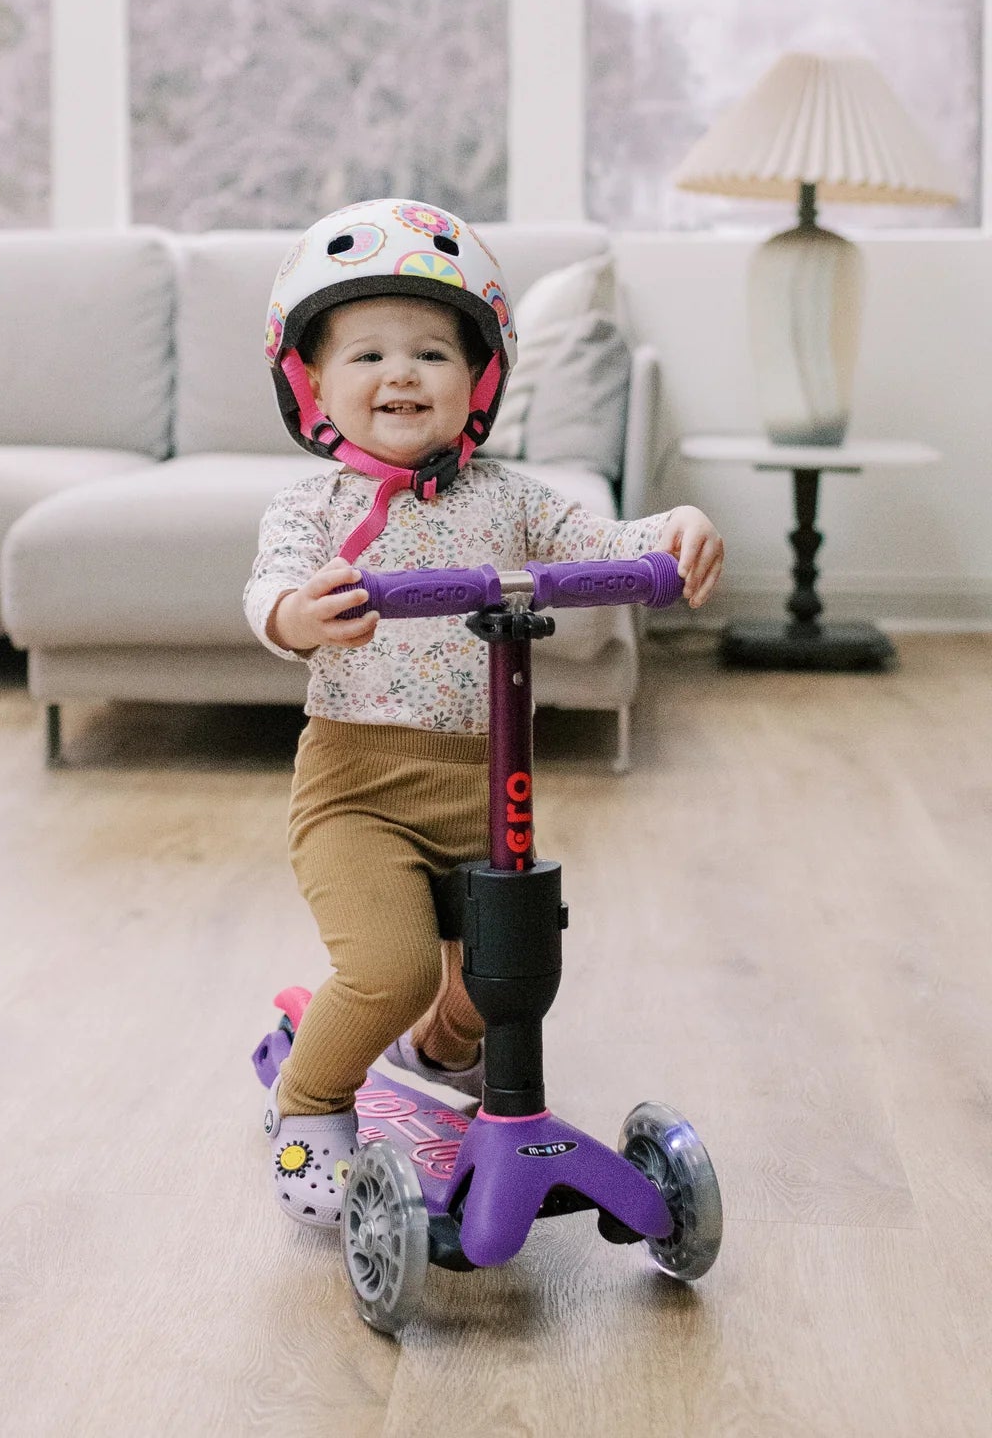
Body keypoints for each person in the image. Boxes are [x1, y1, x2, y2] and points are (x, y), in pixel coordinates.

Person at [244, 199, 723, 1225]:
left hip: (486, 791)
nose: (403, 373)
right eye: (368, 354)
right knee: (392, 968)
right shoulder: (312, 508)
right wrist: (298, 614)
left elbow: (603, 541)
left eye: (431, 353)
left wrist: (670, 531)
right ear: (313, 381)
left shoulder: (511, 500)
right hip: (358, 797)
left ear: (479, 379)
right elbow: (270, 591)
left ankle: (434, 1054)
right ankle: (308, 1106)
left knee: (508, 979)